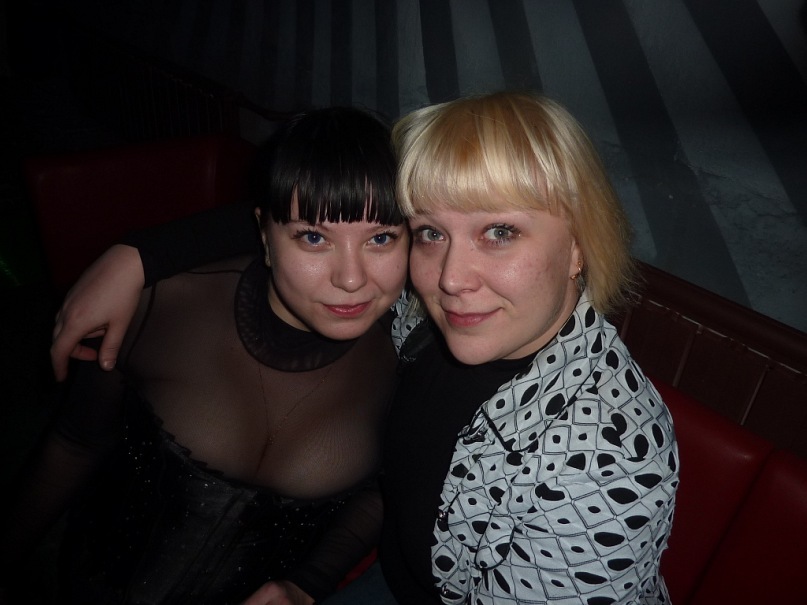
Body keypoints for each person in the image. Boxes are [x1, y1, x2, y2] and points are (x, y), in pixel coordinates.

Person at [46, 91, 679, 604]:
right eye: (430, 232)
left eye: (499, 232)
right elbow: (316, 219)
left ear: (578, 245)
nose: (450, 279)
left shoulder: (606, 457)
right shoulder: (426, 317)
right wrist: (138, 256)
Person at [0, 107, 409, 605]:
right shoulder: (158, 306)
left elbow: (386, 489)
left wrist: (310, 581)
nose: (351, 278)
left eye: (381, 238)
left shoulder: (412, 363)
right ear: (264, 234)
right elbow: (74, 442)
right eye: (314, 237)